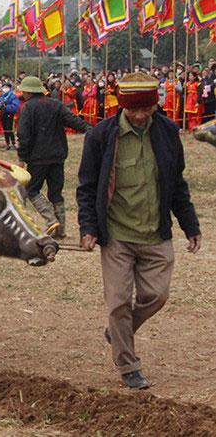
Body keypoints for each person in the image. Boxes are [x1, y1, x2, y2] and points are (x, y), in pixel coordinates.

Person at [77, 72, 201, 389]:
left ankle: (119, 330)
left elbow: (177, 183)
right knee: (118, 302)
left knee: (157, 295)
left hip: (155, 233)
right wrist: (88, 228)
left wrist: (190, 225)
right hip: (117, 236)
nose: (142, 115)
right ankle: (128, 364)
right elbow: (87, 188)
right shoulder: (101, 136)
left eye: (148, 108)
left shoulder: (168, 131)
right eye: (135, 110)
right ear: (123, 106)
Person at [16, 76, 91, 237]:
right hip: (58, 156)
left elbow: (24, 135)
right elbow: (72, 120)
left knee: (31, 189)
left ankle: (50, 220)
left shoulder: (28, 108)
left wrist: (22, 157)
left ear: (28, 92)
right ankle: (61, 230)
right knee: (56, 193)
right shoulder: (55, 104)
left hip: (38, 158)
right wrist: (90, 129)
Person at [0, 84, 20, 151]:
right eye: (4, 87)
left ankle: (13, 143)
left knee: (9, 128)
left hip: (10, 114)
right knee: (5, 128)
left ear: (10, 88)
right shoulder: (1, 96)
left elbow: (15, 106)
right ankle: (7, 143)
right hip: (3, 113)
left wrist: (6, 106)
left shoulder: (13, 96)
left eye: (6, 87)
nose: (5, 89)